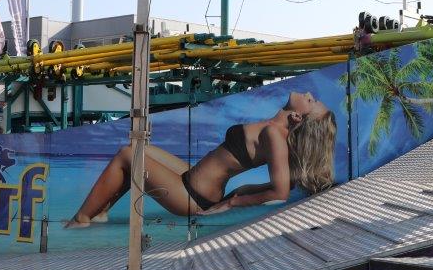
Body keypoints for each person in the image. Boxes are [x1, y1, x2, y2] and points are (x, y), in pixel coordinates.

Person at [65, 91, 337, 227]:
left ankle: (81, 219)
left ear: (297, 116)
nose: (309, 95)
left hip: (192, 196)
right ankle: (101, 210)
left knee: (128, 156)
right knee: (138, 149)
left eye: (312, 102)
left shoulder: (274, 135)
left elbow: (280, 191)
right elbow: (284, 184)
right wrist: (243, 190)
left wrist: (233, 201)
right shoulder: (273, 129)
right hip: (190, 177)